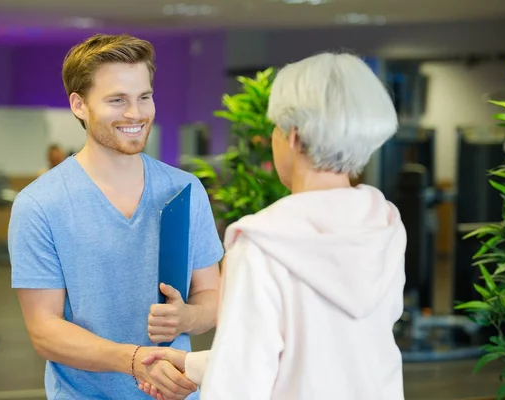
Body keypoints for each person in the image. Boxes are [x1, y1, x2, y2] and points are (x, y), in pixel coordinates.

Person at [139, 52, 407, 399]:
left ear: (293, 137)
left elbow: (240, 385)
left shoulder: (263, 242)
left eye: (276, 129)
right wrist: (193, 365)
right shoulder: (383, 224)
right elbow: (326, 354)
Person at [8, 33, 223, 400]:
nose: (136, 113)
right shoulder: (40, 204)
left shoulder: (185, 190)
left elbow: (212, 298)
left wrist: (188, 318)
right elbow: (44, 329)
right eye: (117, 100)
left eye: (144, 97)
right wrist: (133, 359)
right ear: (79, 105)